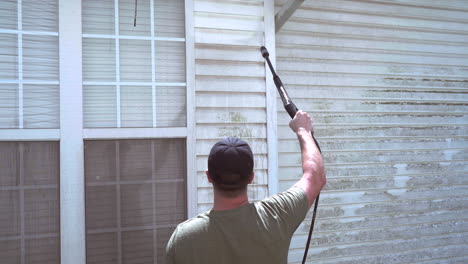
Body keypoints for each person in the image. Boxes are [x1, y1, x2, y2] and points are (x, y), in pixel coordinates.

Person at [166, 110, 326, 264]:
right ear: (251, 177)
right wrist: (303, 130)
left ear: (209, 176)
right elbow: (315, 176)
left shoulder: (183, 239)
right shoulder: (277, 216)